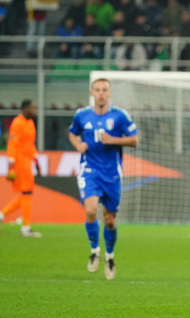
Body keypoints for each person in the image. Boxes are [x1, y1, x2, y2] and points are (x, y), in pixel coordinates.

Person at [68, 79, 139, 280]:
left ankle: (109, 256)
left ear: (110, 93)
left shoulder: (119, 116)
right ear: (92, 92)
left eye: (104, 90)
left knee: (109, 220)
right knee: (90, 211)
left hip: (112, 175)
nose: (100, 93)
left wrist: (113, 140)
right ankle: (94, 251)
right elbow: (72, 133)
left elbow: (134, 139)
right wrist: (77, 144)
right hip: (89, 170)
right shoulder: (82, 115)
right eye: (97, 90)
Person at [0, 99, 42, 237]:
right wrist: (11, 165)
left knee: (26, 193)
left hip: (27, 161)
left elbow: (30, 144)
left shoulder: (30, 123)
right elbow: (12, 144)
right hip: (19, 162)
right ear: (25, 109)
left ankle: (2, 215)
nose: (34, 110)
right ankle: (25, 227)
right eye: (32, 107)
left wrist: (37, 162)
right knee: (27, 193)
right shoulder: (17, 123)